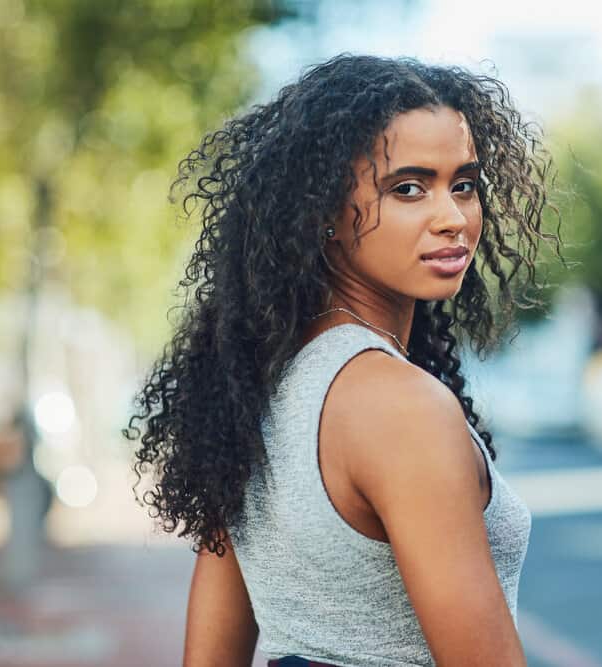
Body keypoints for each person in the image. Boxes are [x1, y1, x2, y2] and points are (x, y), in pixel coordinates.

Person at [124, 53, 565, 666]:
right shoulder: (399, 406)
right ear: (323, 212)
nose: (453, 218)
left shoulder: (256, 387)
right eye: (408, 188)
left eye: (463, 184)